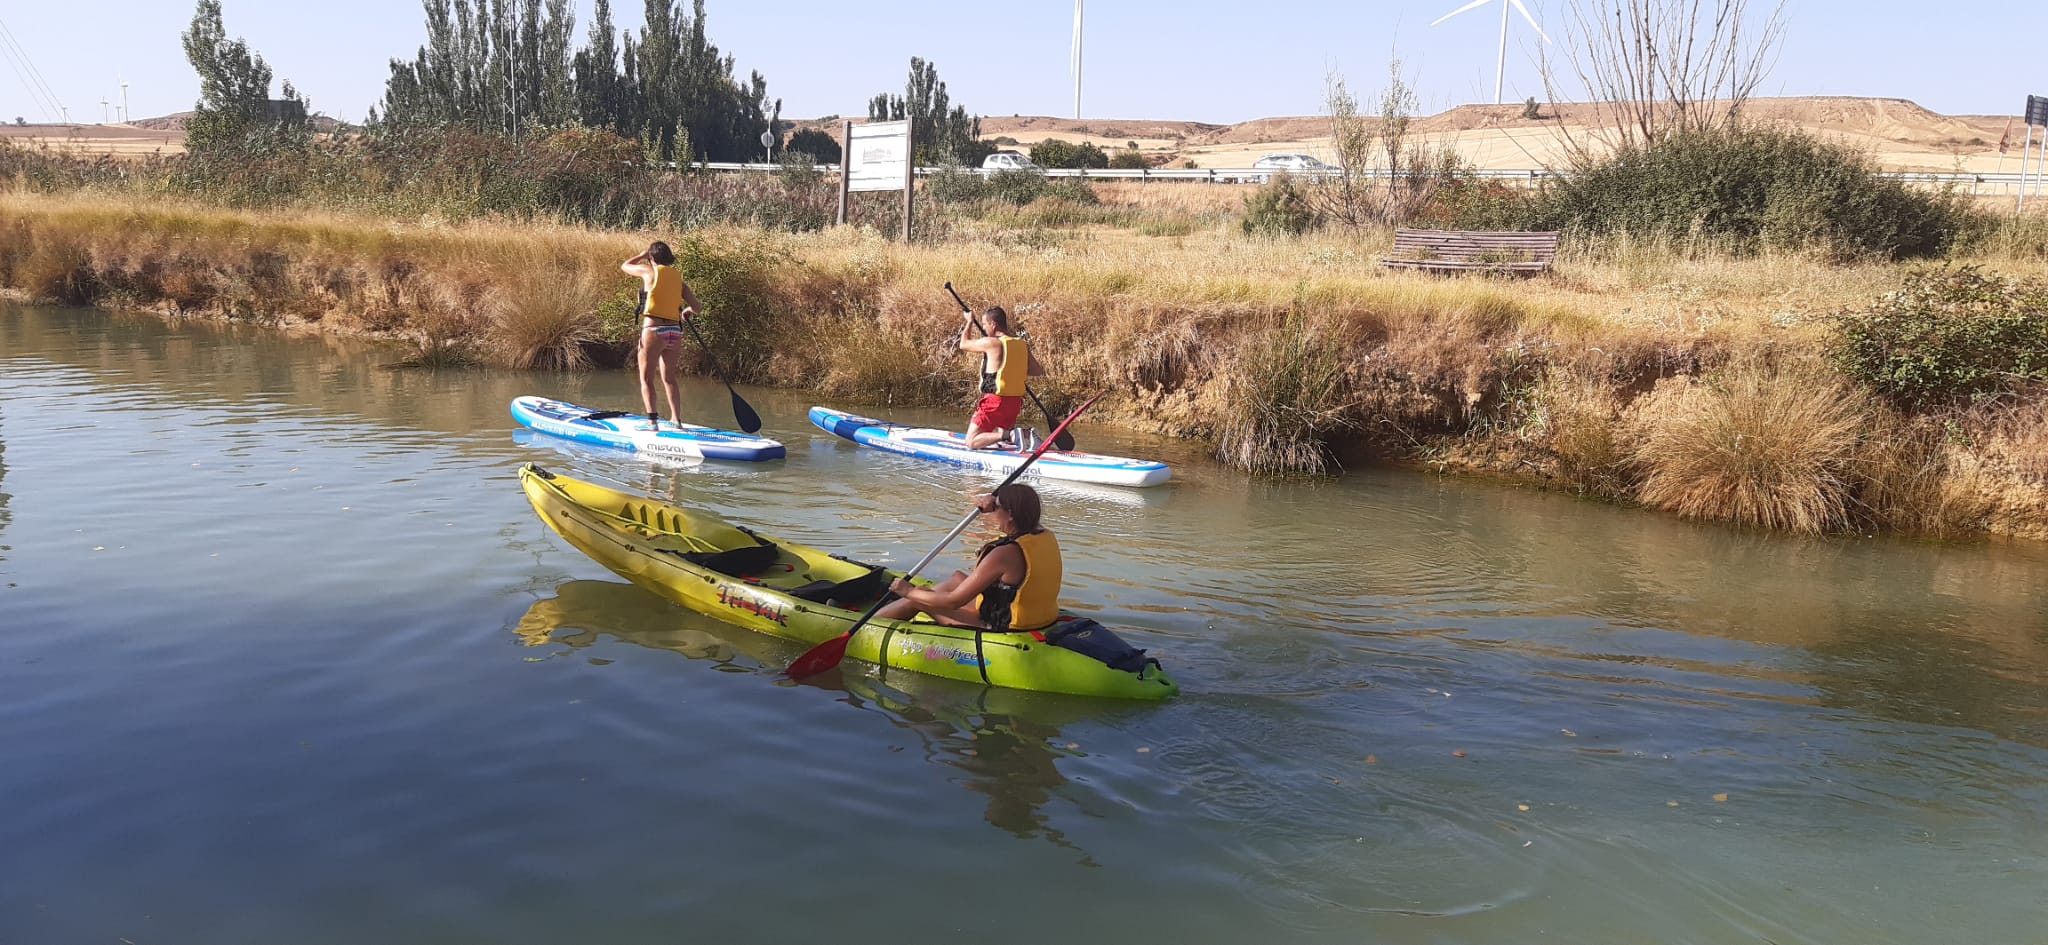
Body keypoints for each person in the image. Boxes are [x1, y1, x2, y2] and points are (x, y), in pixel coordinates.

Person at [875, 483, 1063, 634]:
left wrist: (908, 591)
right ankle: (893, 610)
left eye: (996, 508)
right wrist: (995, 501)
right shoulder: (1042, 535)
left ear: (1011, 514)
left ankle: (871, 625)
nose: (993, 514)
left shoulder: (1004, 554)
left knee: (919, 597)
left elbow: (953, 602)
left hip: (1001, 627)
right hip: (1035, 616)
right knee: (957, 578)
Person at [620, 241, 702, 430]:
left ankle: (652, 422)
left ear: (653, 258)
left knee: (646, 379)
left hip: (654, 331)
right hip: (674, 332)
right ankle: (676, 420)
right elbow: (697, 308)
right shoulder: (678, 280)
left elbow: (624, 266)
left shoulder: (649, 271)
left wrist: (641, 255)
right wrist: (687, 311)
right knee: (669, 378)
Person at [958, 305, 1046, 450]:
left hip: (995, 401)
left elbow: (963, 344)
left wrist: (969, 322)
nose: (985, 328)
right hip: (1014, 403)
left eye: (985, 324)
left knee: (971, 442)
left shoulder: (992, 342)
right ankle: (1024, 434)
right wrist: (1013, 367)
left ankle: (1010, 435)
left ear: (993, 324)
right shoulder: (1021, 344)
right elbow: (1037, 371)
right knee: (998, 431)